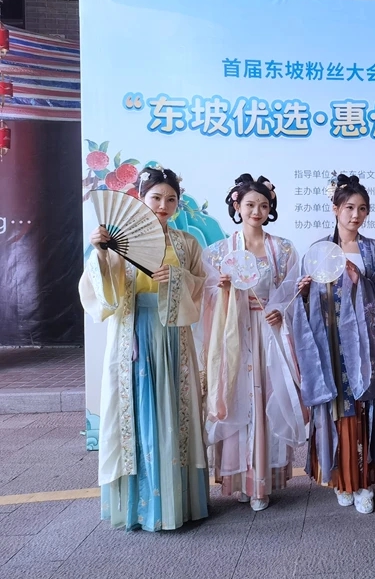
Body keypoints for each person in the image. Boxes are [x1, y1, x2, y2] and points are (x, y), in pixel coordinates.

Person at [80, 166, 209, 531]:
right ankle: (140, 508)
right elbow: (102, 293)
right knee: (136, 412)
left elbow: (200, 286)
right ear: (140, 198)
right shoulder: (118, 240)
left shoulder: (187, 243)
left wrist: (178, 278)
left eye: (171, 199)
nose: (163, 205)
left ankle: (179, 504)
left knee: (174, 409)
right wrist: (100, 253)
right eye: (155, 197)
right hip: (133, 334)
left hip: (173, 335)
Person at [201, 174, 305, 512]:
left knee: (268, 397)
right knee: (237, 397)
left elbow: (290, 292)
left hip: (268, 331)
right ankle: (240, 479)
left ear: (270, 208)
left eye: (263, 205)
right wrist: (223, 289)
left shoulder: (283, 249)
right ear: (237, 205)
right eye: (250, 204)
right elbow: (206, 294)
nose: (256, 211)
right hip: (235, 332)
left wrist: (280, 310)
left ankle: (263, 482)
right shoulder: (219, 251)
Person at [292, 174, 375, 514]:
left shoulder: (374, 250)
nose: (355, 215)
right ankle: (341, 479)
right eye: (349, 207)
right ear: (335, 208)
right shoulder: (318, 250)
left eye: (362, 209)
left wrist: (359, 280)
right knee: (336, 408)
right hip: (330, 345)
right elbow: (309, 302)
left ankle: (363, 482)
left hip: (362, 347)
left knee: (363, 407)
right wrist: (304, 293)